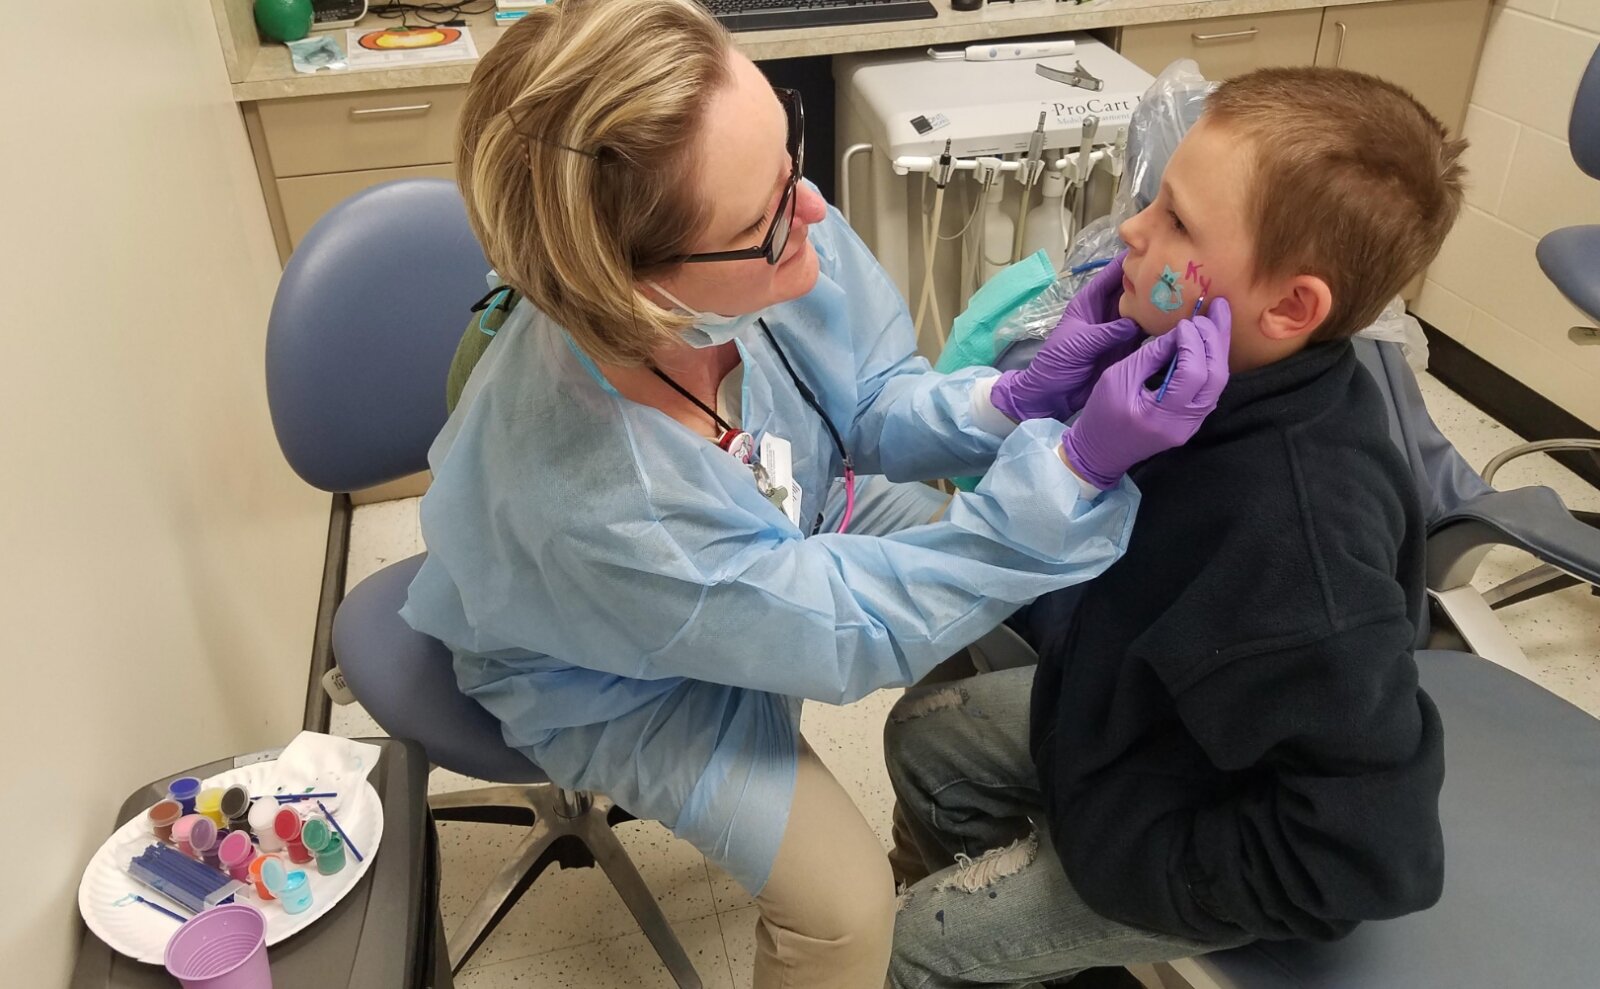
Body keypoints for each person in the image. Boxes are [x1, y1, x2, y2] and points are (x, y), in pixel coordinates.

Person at [399, 0, 1229, 985]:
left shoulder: (756, 231)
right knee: (842, 907)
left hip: (774, 520)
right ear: (636, 290)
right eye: (764, 221)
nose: (816, 217)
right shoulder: (606, 501)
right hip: (609, 666)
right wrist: (1076, 469)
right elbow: (847, 627)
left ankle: (942, 814)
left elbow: (869, 404)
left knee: (985, 577)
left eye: (787, 160)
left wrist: (1017, 395)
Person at [885, 66, 1468, 988]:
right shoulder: (1196, 386)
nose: (1131, 230)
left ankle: (1013, 941)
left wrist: (1124, 863)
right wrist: (1047, 412)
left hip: (1184, 815)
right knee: (924, 737)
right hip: (1143, 718)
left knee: (923, 939)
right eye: (1156, 200)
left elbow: (1364, 853)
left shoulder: (1298, 550)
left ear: (1289, 307)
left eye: (1179, 223)